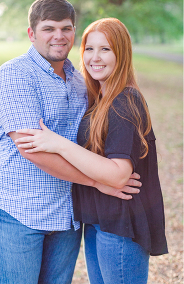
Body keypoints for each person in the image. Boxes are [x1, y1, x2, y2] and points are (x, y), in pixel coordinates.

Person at [0, 0, 141, 283]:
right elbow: (33, 150)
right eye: (49, 29)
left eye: (66, 28)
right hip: (19, 212)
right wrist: (97, 181)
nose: (59, 36)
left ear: (73, 32)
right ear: (32, 34)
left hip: (67, 215)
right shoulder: (14, 75)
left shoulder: (80, 80)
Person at [14, 17, 167, 283]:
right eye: (89, 48)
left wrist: (60, 144)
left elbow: (119, 175)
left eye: (105, 49)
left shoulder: (125, 101)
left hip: (121, 226)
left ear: (122, 53)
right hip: (99, 223)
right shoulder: (100, 99)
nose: (95, 58)